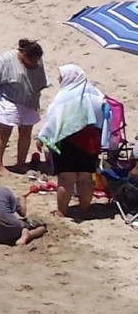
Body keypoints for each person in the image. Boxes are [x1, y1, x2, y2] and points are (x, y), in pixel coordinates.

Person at [37, 63, 110, 219]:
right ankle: (85, 210)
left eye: (61, 77)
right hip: (91, 141)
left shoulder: (64, 96)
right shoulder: (97, 94)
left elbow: (53, 121)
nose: (58, 79)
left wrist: (42, 137)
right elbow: (103, 117)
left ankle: (61, 212)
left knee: (66, 178)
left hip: (67, 141)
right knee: (85, 177)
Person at [0, 39, 48, 174]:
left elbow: (40, 80)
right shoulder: (5, 59)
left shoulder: (37, 60)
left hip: (29, 99)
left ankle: (20, 163)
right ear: (24, 55)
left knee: (26, 132)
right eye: (32, 61)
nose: (35, 64)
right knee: (5, 132)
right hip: (9, 98)